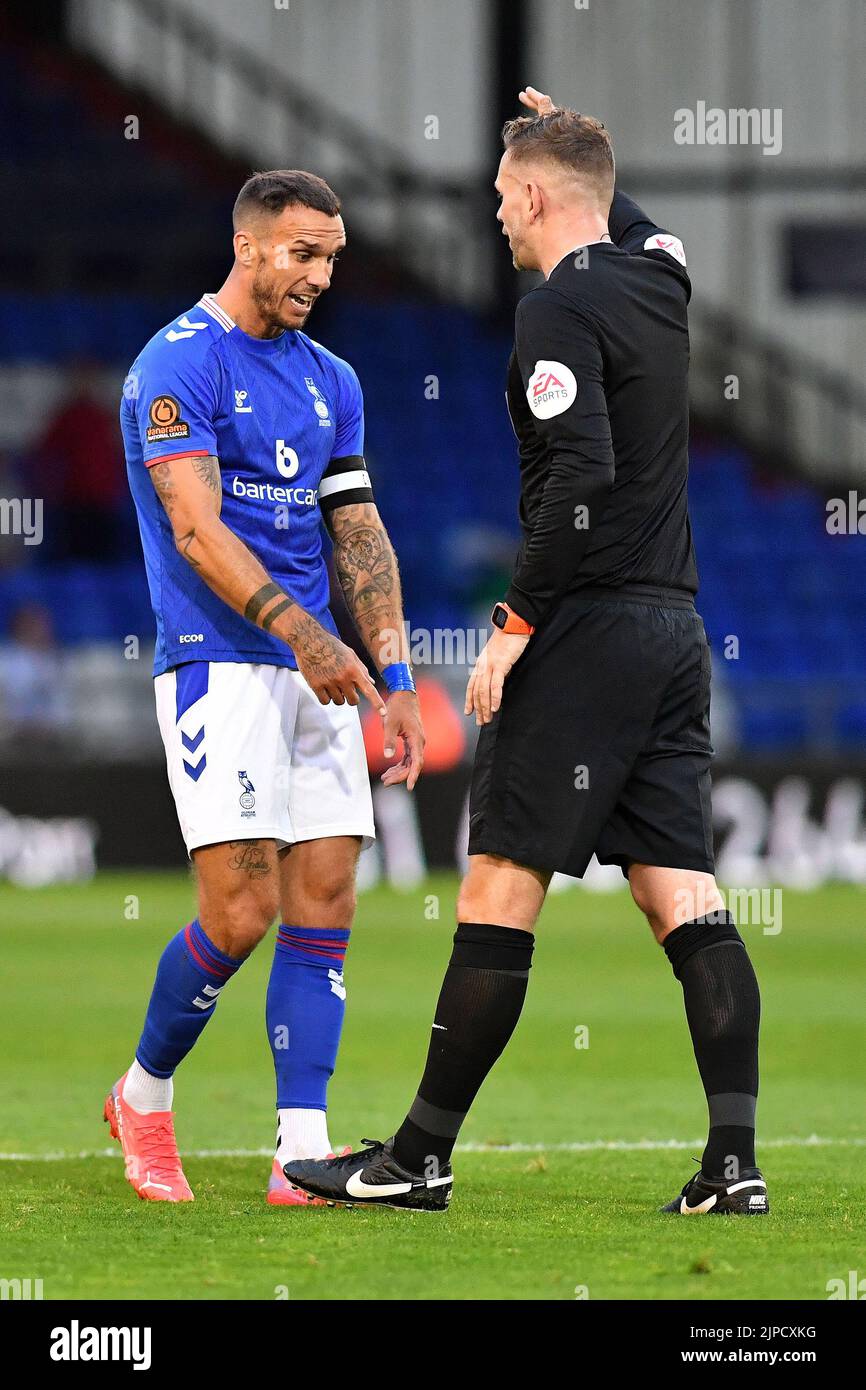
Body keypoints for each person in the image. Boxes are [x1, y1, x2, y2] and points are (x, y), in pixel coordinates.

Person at [283, 90, 765, 1218]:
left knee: (498, 883)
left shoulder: (554, 309)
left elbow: (581, 484)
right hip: (672, 630)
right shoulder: (659, 275)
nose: (496, 214)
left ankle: (415, 1159)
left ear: (537, 197)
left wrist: (511, 625)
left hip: (588, 630)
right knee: (682, 897)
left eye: (506, 194)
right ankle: (731, 1164)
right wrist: (582, 137)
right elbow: (621, 213)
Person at [109, 169, 424, 1204]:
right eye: (303, 253)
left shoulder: (333, 377)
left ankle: (299, 1147)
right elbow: (197, 528)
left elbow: (356, 529)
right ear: (247, 246)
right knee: (238, 915)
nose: (321, 275)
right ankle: (143, 1096)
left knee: (324, 898)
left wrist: (393, 674)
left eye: (331, 256)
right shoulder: (176, 365)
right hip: (220, 663)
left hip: (321, 673)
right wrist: (299, 633)